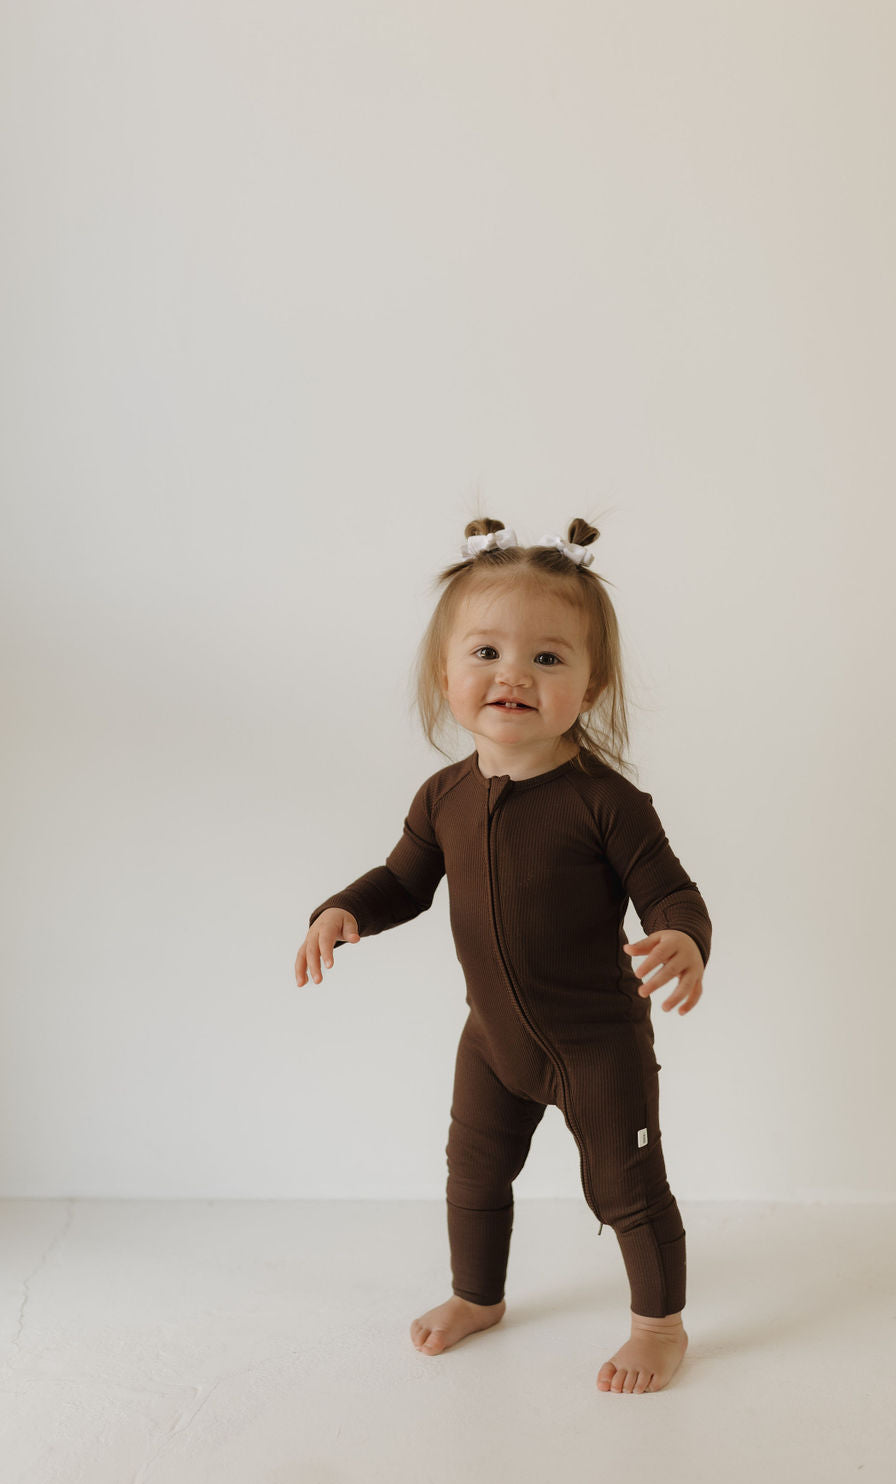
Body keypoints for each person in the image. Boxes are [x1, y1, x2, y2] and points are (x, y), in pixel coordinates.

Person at [294, 516, 712, 1394]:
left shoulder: (608, 804)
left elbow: (670, 891)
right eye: (485, 650)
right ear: (445, 673)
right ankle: (477, 1295)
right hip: (493, 1042)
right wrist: (343, 910)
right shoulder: (443, 796)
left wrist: (681, 937)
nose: (513, 674)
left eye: (549, 659)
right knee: (473, 1173)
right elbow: (404, 882)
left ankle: (659, 1326)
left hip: (597, 1045)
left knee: (627, 1188)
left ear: (591, 686)